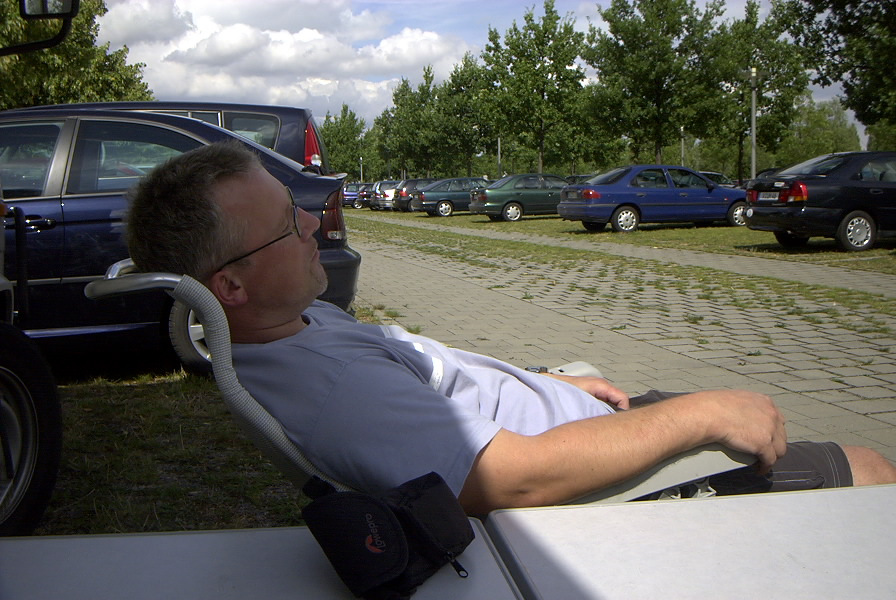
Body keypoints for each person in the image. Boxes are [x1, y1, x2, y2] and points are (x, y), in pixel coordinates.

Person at [127, 142, 896, 516]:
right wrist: (702, 414)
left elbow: (448, 385)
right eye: (284, 223)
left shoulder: (297, 326)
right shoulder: (335, 389)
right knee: (870, 472)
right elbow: (515, 479)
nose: (309, 224)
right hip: (607, 480)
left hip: (590, 420)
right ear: (230, 286)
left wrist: (549, 382)